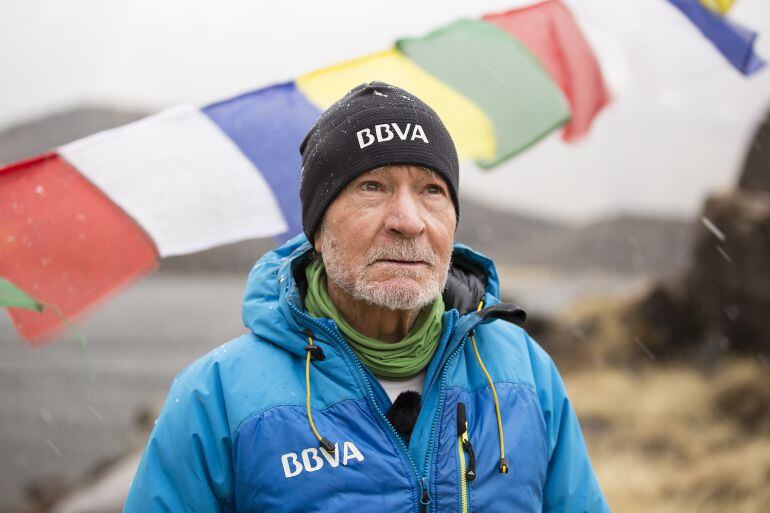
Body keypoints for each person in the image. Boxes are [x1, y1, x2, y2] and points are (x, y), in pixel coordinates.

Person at [123, 81, 610, 513]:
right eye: (371, 186)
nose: (408, 220)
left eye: (432, 191)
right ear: (317, 230)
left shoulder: (524, 372)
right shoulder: (218, 397)